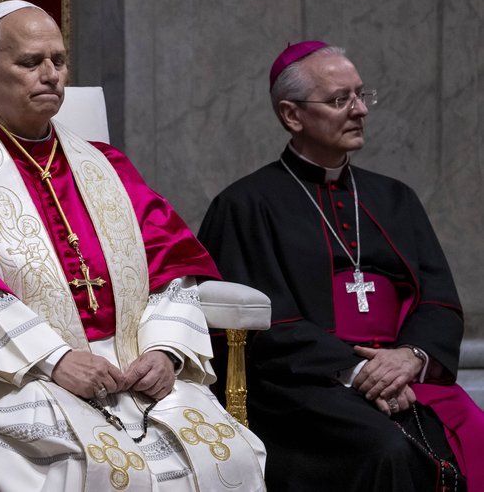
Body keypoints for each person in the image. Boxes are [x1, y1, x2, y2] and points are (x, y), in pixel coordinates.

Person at [0, 0, 266, 492]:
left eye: (59, 61)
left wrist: (165, 352)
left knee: (229, 455)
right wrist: (56, 358)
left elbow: (171, 263)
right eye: (30, 63)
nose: (51, 75)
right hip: (17, 376)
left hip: (131, 369)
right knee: (98, 468)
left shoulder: (106, 166)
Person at [197, 41, 484, 491]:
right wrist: (357, 370)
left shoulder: (395, 198)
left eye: (361, 95)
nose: (360, 110)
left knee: (476, 431)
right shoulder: (245, 205)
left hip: (402, 373)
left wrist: (410, 357)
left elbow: (439, 299)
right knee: (385, 449)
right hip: (305, 387)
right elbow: (263, 325)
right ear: (292, 115)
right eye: (339, 100)